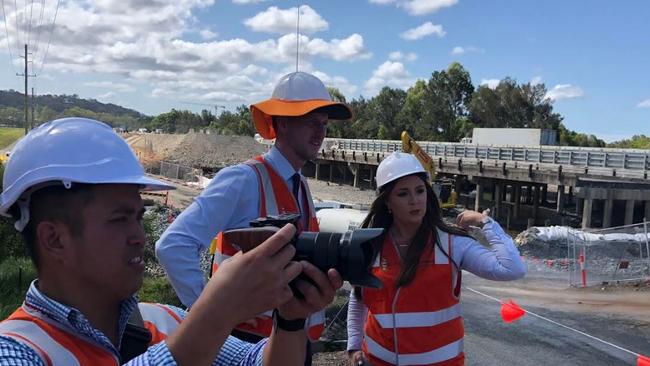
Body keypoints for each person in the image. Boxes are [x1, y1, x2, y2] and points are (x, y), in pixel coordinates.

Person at [0, 117, 342, 365]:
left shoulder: (162, 321)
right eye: (119, 219)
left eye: (138, 215)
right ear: (54, 239)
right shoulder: (17, 348)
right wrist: (215, 311)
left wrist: (290, 320)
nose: (139, 235)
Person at [155, 72, 352, 349]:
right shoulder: (243, 179)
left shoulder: (301, 185)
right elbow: (173, 245)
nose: (320, 132)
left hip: (290, 339)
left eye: (324, 124)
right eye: (311, 122)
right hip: (244, 344)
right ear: (282, 124)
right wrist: (210, 316)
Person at [346, 152, 526, 366]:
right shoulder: (371, 245)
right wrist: (354, 346)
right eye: (403, 194)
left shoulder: (451, 244)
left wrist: (485, 222)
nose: (415, 200)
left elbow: (512, 268)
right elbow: (358, 298)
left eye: (420, 191)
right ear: (387, 202)